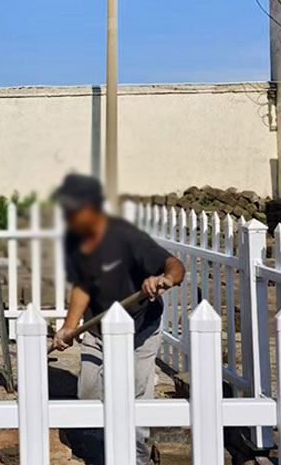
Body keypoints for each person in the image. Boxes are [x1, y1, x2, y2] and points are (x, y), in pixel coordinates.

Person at [51, 174, 185, 465]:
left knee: (134, 396)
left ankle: (136, 458)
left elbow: (175, 265)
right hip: (98, 329)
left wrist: (165, 279)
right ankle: (101, 455)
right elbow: (83, 285)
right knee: (88, 393)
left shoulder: (127, 238)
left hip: (141, 329)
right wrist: (69, 327)